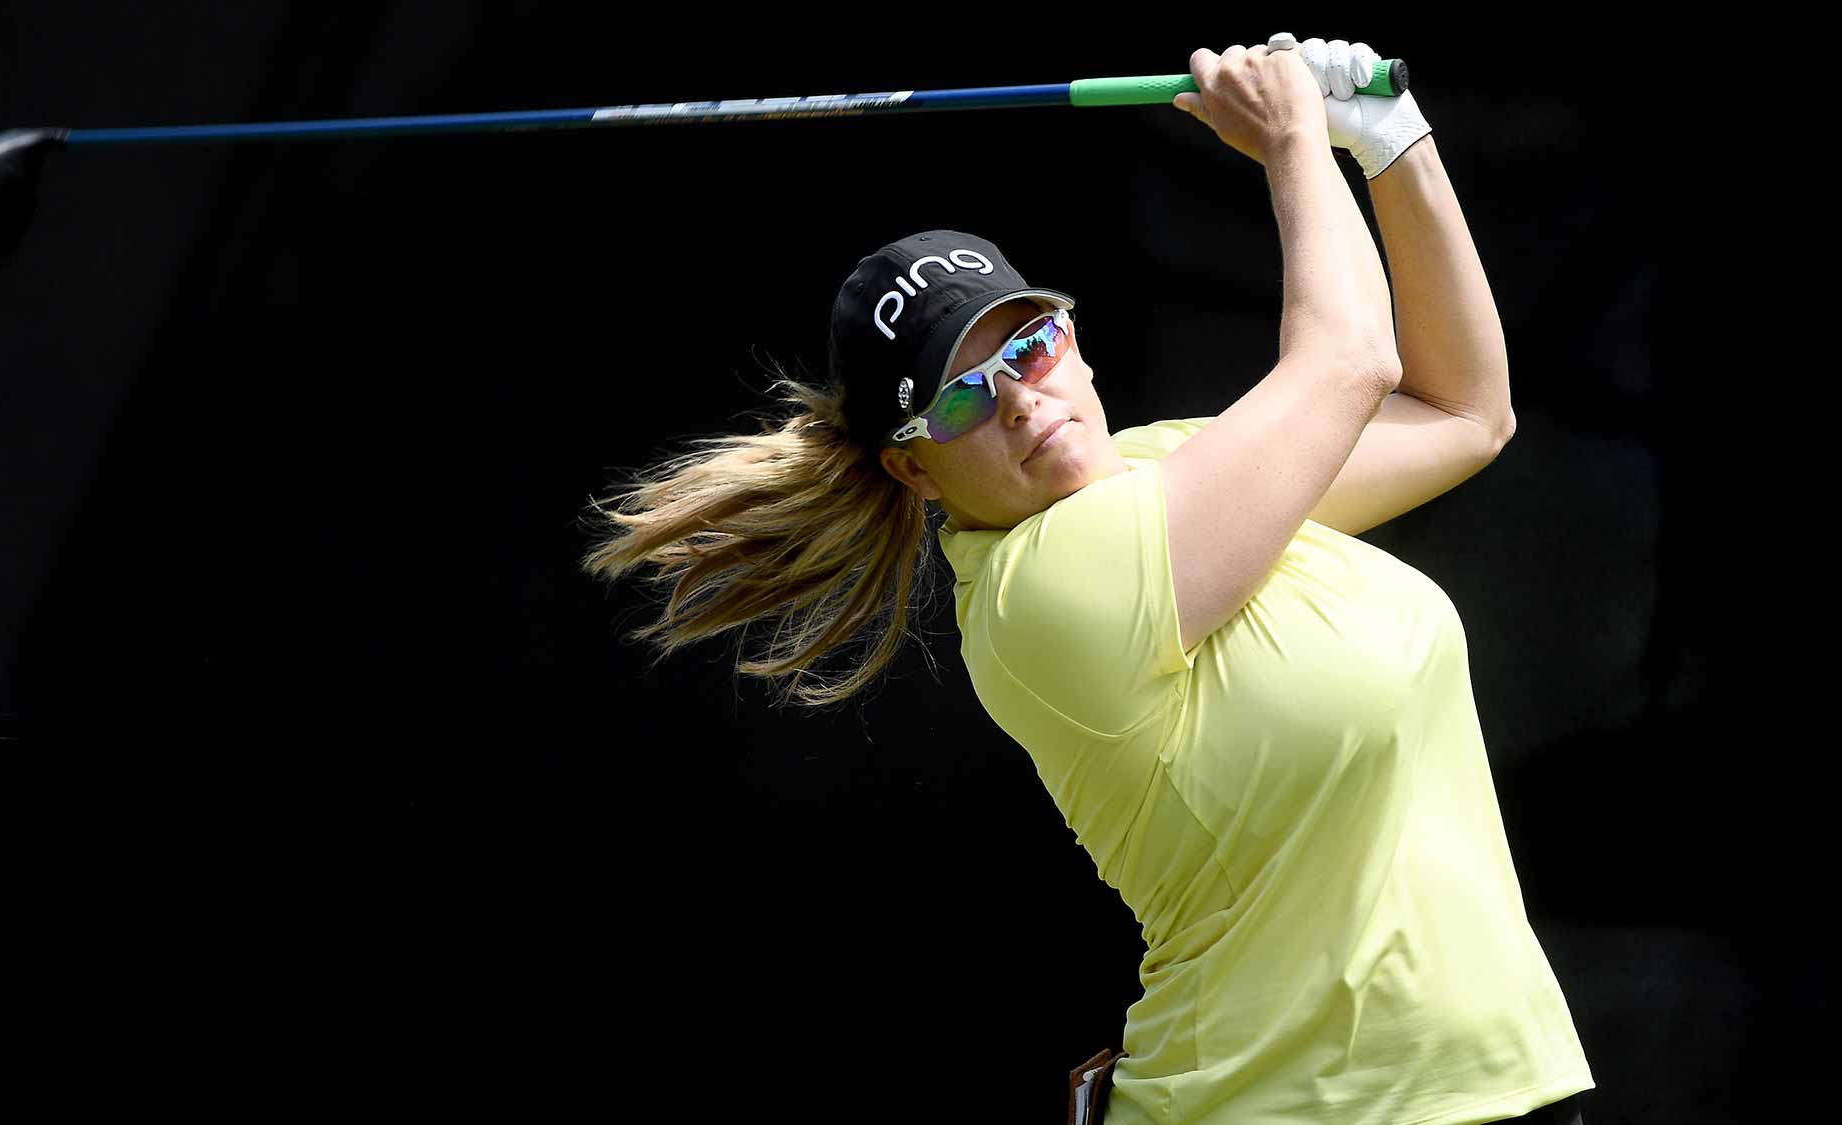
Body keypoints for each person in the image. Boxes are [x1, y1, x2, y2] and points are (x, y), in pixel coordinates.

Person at [579, 31, 1594, 1125]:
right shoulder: (1040, 592)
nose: (1020, 399)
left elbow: (1462, 413)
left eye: (1029, 347)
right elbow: (1348, 362)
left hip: (1511, 1086)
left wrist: (1392, 144)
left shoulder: (1166, 466)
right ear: (913, 468)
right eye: (959, 398)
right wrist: (1294, 139)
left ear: (1076, 343)